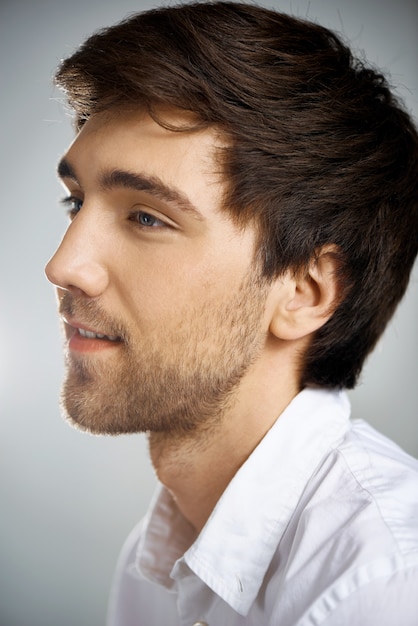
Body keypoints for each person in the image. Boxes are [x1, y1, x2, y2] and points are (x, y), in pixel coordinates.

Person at [45, 2, 418, 624]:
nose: (64, 265)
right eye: (75, 204)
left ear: (304, 292)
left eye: (146, 217)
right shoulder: (156, 560)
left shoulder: (384, 582)